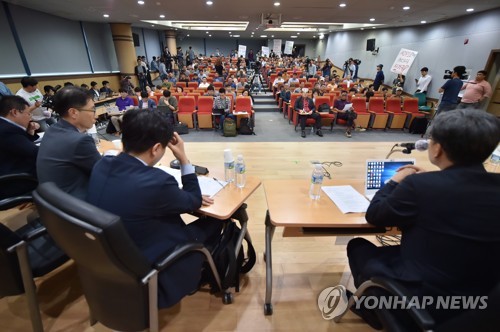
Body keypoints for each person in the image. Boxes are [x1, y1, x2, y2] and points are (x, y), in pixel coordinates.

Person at [347, 109, 500, 328]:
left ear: (437, 149)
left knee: (358, 248)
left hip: (426, 295)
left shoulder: (419, 186)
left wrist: (396, 181)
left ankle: (374, 311)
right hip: (483, 296)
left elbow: (376, 215)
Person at [86, 108, 224, 308]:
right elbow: (193, 201)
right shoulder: (156, 182)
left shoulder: (102, 164)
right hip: (148, 260)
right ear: (156, 148)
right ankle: (198, 270)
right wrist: (184, 159)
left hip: (112, 257)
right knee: (218, 220)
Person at [36, 86, 101, 200]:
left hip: (55, 202)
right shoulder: (80, 141)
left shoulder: (52, 129)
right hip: (78, 203)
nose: (95, 114)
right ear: (73, 112)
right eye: (92, 109)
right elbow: (103, 172)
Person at [0, 96, 40, 187]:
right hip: (13, 181)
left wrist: (29, 133)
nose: (30, 118)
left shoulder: (4, 125)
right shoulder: (7, 131)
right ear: (15, 112)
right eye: (28, 113)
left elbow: (19, 146)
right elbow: (35, 152)